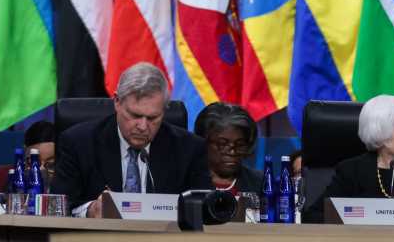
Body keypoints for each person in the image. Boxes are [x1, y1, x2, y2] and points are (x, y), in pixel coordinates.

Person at [49, 62, 211, 214]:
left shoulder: (190, 149)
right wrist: (90, 211)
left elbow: (205, 212)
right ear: (117, 102)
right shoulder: (78, 143)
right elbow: (58, 209)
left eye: (153, 118)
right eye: (135, 115)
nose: (143, 126)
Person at [194, 102, 265, 195]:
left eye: (240, 144)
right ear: (203, 142)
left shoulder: (260, 183)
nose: (232, 152)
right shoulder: (186, 181)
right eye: (222, 144)